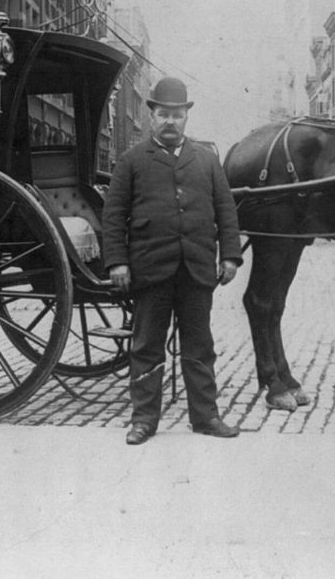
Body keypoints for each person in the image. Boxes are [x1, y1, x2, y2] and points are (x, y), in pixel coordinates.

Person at [102, 77, 243, 445]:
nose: (170, 122)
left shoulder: (207, 161)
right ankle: (144, 421)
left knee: (200, 346)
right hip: (151, 269)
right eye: (163, 114)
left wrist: (229, 256)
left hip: (196, 269)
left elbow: (226, 211)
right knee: (147, 345)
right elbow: (114, 215)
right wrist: (117, 262)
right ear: (152, 116)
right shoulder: (132, 161)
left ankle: (206, 418)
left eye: (176, 115)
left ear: (186, 117)